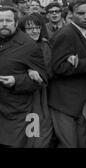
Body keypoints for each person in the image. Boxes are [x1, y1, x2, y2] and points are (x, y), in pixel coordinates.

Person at [0, 6, 47, 148]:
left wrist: (17, 81)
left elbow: (42, 79)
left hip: (15, 112)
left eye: (8, 20)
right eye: (0, 20)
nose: (4, 24)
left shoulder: (29, 46)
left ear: (16, 23)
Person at [48, 0, 86, 148]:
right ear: (70, 14)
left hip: (82, 102)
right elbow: (58, 68)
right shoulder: (66, 34)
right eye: (81, 13)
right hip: (65, 103)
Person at [18, 13, 54, 147]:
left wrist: (32, 70)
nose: (35, 31)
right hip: (20, 94)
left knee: (40, 126)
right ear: (22, 30)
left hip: (40, 94)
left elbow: (48, 71)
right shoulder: (15, 46)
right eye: (30, 28)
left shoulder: (45, 46)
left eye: (37, 27)